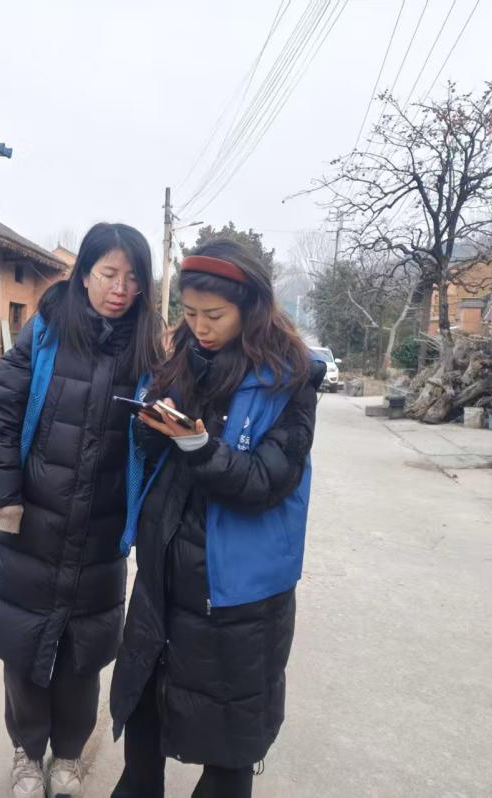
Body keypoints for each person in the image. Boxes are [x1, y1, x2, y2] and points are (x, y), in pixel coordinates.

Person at [109, 239, 325, 798]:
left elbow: (267, 482)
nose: (200, 327)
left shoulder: (290, 380)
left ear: (251, 308)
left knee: (229, 738)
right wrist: (150, 426)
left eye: (214, 315)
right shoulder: (179, 359)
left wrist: (199, 446)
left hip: (237, 593)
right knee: (145, 713)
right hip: (164, 575)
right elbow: (152, 458)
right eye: (189, 312)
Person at [0, 223, 165, 798]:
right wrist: (4, 500)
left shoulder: (150, 350)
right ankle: (28, 754)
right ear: (83, 275)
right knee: (24, 645)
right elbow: (0, 415)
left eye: (133, 278)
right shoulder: (47, 331)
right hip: (34, 520)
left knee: (84, 653)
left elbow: (156, 444)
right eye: (108, 274)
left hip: (101, 530)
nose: (120, 289)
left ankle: (70, 755)